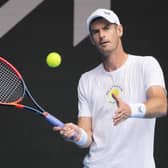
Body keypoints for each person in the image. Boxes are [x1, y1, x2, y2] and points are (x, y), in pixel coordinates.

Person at [53, 8, 167, 168]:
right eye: (95, 32)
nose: (101, 35)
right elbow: (87, 137)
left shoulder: (146, 64)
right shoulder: (87, 80)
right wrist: (77, 135)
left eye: (107, 28)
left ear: (119, 30)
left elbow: (161, 104)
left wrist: (132, 110)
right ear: (92, 39)